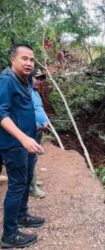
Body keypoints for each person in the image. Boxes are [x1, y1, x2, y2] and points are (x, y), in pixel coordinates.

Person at [0, 43, 45, 248]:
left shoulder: (25, 80)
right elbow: (2, 115)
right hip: (14, 143)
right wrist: (23, 138)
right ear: (13, 59)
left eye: (32, 59)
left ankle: (21, 215)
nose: (29, 63)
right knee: (17, 185)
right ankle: (9, 234)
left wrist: (33, 131)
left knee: (26, 180)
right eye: (24, 58)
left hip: (28, 142)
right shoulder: (7, 80)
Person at [30, 69, 48, 199]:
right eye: (37, 78)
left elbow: (38, 108)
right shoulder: (25, 91)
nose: (39, 81)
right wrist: (33, 123)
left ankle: (33, 180)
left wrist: (45, 119)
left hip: (39, 130)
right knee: (29, 158)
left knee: (34, 157)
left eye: (41, 79)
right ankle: (32, 188)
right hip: (31, 130)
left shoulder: (35, 92)